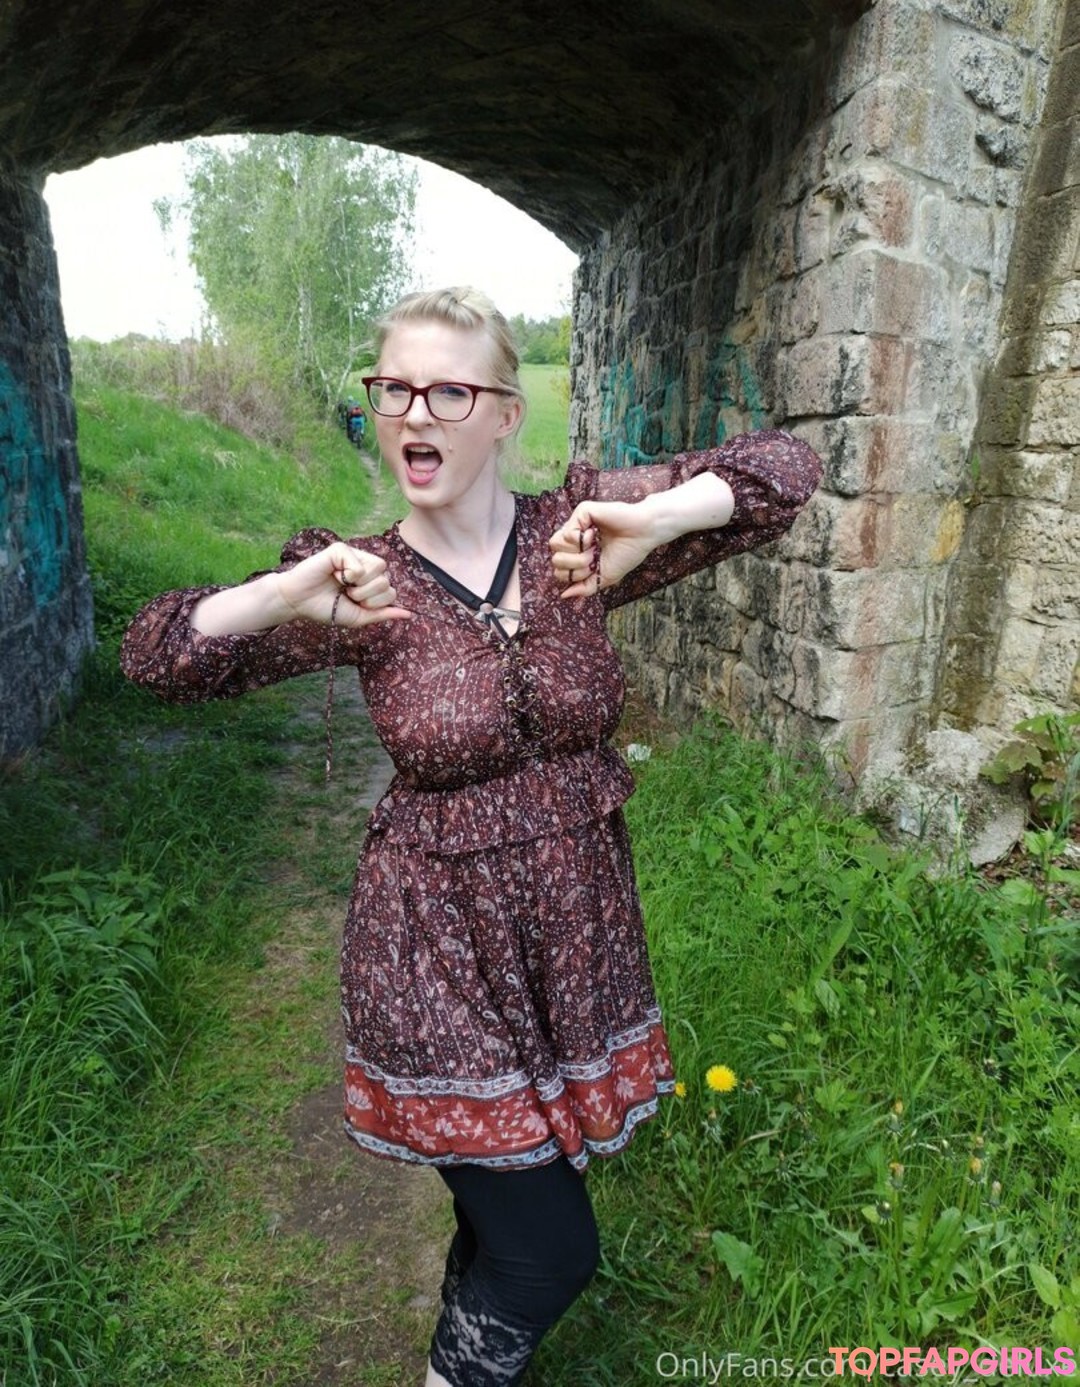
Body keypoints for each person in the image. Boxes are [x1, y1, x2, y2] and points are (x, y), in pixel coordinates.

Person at [120, 286, 822, 1386]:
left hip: (570, 944)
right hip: (434, 952)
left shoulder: (577, 534)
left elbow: (783, 469)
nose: (415, 413)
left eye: (448, 390)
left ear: (503, 413)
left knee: (504, 1220)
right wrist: (283, 593)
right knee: (550, 1251)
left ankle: (468, 1345)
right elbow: (156, 656)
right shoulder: (361, 583)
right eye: (393, 388)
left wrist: (657, 520)